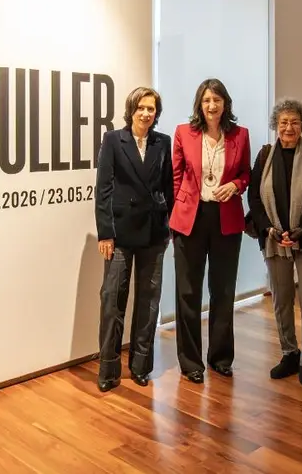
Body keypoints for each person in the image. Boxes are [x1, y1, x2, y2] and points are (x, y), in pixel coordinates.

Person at [247, 98, 302, 399]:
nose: (289, 127)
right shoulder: (264, 156)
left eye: (295, 121)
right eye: (283, 122)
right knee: (281, 299)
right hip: (274, 239)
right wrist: (269, 229)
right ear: (275, 125)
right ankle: (290, 354)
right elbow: (254, 199)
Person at [169, 78, 251, 384]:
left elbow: (245, 173)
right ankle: (190, 362)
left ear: (225, 103)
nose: (212, 105)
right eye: (206, 100)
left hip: (226, 218)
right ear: (199, 105)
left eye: (217, 100)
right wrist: (177, 213)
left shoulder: (240, 135)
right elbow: (175, 177)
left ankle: (220, 358)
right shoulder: (183, 132)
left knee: (223, 291)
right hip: (191, 218)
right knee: (187, 292)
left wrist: (236, 185)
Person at [94, 86, 175, 392]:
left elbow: (168, 188)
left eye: (151, 108)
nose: (145, 113)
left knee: (149, 302)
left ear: (156, 113)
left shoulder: (162, 142)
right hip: (120, 234)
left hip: (154, 232)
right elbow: (103, 189)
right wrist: (105, 232)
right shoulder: (114, 140)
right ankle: (109, 369)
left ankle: (141, 366)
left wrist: (168, 227)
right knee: (113, 301)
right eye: (141, 107)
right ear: (131, 110)